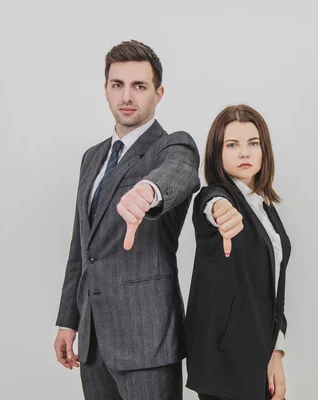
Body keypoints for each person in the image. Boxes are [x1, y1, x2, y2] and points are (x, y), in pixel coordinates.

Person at [53, 39, 200, 400]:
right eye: (117, 85)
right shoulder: (93, 158)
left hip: (147, 339)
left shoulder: (171, 146)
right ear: (106, 90)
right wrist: (68, 320)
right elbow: (81, 247)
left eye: (139, 86)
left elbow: (182, 172)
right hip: (93, 337)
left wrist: (149, 190)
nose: (127, 96)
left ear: (158, 93)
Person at [185, 105, 291, 400]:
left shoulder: (265, 208)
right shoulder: (215, 195)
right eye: (232, 145)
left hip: (260, 354)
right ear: (217, 153)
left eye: (253, 143)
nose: (245, 153)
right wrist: (220, 210)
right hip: (225, 363)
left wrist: (276, 354)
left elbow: (273, 291)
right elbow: (211, 203)